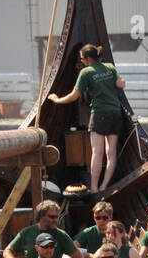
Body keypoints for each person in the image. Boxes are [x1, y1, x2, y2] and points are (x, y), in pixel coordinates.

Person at [47, 43, 127, 194]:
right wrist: (119, 81)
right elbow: (120, 84)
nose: (81, 61)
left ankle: (94, 188)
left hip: (99, 113)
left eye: (82, 58)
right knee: (111, 153)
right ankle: (104, 186)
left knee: (97, 152)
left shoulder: (86, 72)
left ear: (88, 58)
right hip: (115, 113)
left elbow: (74, 96)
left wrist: (57, 100)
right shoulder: (110, 67)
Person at [2, 200, 85, 258]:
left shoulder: (61, 235)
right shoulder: (27, 232)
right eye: (52, 217)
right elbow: (7, 251)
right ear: (41, 216)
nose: (55, 220)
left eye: (56, 217)